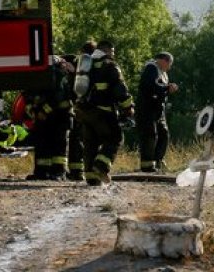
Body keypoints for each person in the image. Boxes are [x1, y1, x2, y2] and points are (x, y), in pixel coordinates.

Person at [75, 40, 133, 186]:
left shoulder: (85, 64)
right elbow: (120, 88)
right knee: (115, 137)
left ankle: (91, 177)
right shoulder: (109, 64)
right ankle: (101, 166)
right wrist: (128, 107)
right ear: (107, 50)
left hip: (84, 111)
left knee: (90, 143)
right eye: (112, 52)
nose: (113, 55)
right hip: (103, 111)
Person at [24, 55, 74, 181]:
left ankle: (59, 172)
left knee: (58, 145)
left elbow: (57, 98)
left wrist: (43, 111)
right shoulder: (35, 77)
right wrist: (32, 110)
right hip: (45, 117)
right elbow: (27, 95)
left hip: (60, 116)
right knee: (42, 144)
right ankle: (41, 172)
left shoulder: (58, 76)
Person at [136, 52, 179, 172]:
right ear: (164, 60)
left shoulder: (163, 73)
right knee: (150, 135)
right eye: (169, 64)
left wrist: (168, 89)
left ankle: (158, 160)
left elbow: (161, 90)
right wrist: (167, 87)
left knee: (163, 134)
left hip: (158, 110)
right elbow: (151, 86)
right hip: (147, 109)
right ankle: (147, 165)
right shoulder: (151, 68)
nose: (169, 67)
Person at [66, 40, 96, 181]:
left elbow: (75, 87)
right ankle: (84, 169)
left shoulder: (79, 64)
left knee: (76, 138)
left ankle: (76, 171)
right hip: (92, 108)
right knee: (88, 139)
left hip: (79, 106)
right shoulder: (97, 65)